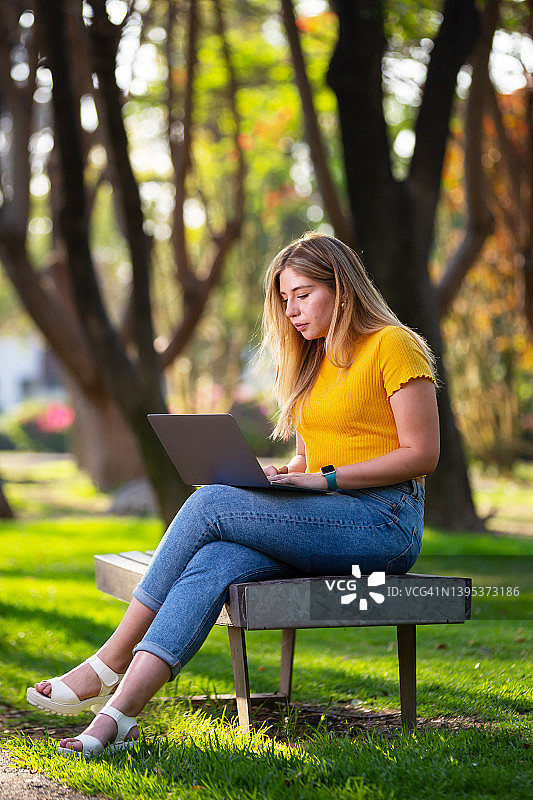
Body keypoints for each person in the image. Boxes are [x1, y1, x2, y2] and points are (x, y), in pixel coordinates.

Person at [26, 231, 440, 756]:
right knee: (217, 558)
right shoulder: (314, 361)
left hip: (386, 522)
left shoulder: (393, 344)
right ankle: (116, 719)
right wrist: (283, 474)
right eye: (285, 299)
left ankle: (107, 662)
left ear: (342, 288)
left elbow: (422, 454)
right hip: (328, 516)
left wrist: (324, 481)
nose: (291, 310)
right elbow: (313, 458)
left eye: (304, 294)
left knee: (209, 501)